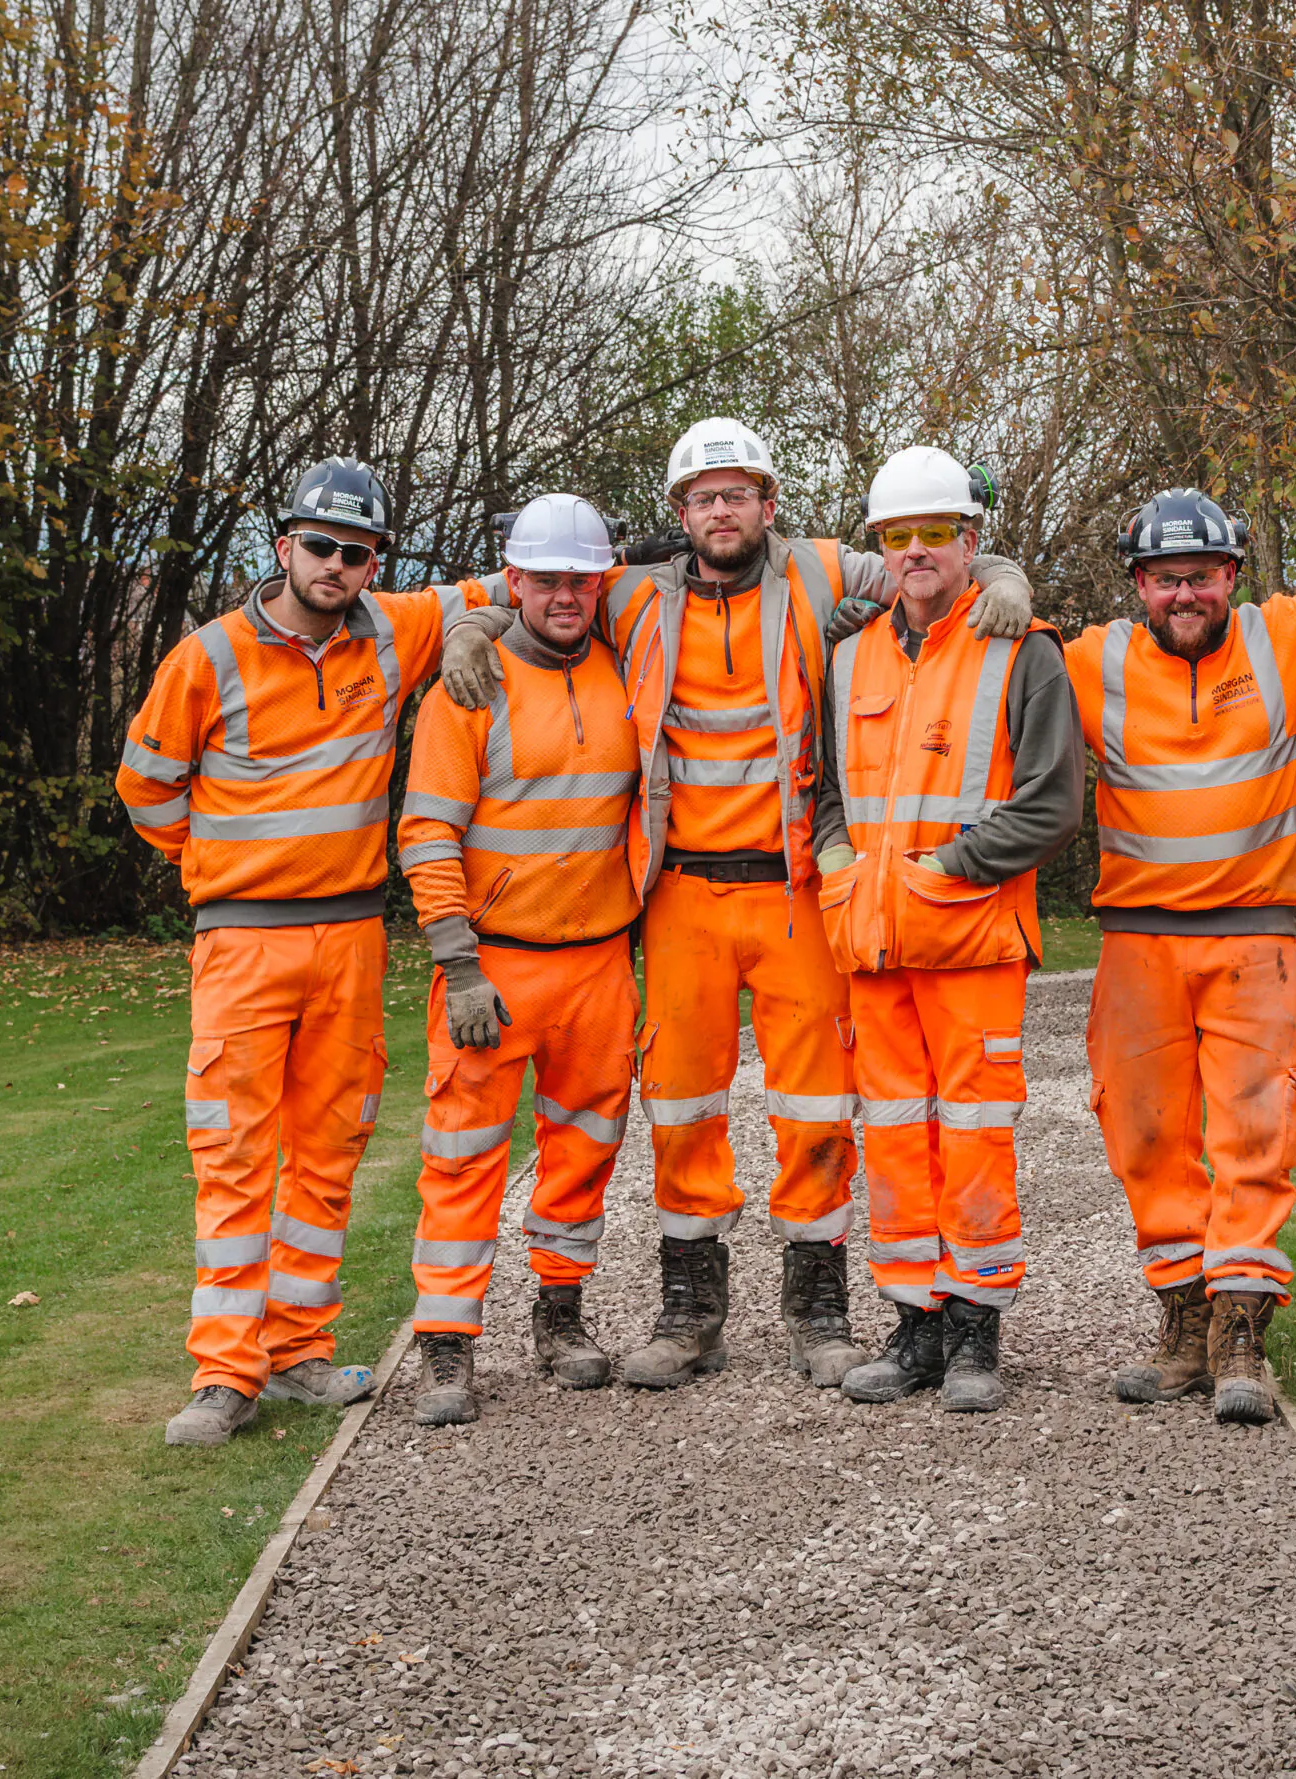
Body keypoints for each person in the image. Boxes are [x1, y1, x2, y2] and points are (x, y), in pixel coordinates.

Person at [445, 418, 1039, 1391]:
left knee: (814, 1109)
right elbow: (523, 586)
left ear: (768, 503)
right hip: (680, 892)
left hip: (796, 891)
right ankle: (692, 1315)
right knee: (680, 1109)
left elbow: (931, 557)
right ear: (680, 514)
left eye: (738, 494)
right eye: (702, 497)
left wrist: (1008, 576)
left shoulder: (817, 571)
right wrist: (472, 626)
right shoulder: (631, 592)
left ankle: (816, 1313)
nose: (721, 511)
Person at [117, 458, 509, 1447]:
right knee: (236, 1158)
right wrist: (225, 861)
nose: (337, 565)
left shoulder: (393, 629)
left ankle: (295, 1352)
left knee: (329, 1153)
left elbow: (525, 578)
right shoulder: (207, 659)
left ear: (376, 561)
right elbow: (147, 790)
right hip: (243, 944)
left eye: (358, 552)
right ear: (284, 548)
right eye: (321, 546)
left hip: (349, 940)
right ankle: (224, 1375)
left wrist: (468, 625)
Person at [1064, 489, 1296, 1425]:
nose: (1184, 595)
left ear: (1232, 577)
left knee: (1255, 1135)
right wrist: (1001, 579)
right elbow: (999, 652)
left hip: (1254, 940)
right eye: (1166, 580)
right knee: (1144, 1135)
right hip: (1137, 947)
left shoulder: (1282, 637)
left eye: (1201, 576)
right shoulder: (1097, 660)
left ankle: (1242, 1330)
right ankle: (1184, 1319)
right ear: (1139, 586)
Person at [809, 447, 1080, 1413]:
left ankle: (975, 1332)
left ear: (972, 541)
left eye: (935, 534)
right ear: (879, 547)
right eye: (898, 537)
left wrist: (944, 869)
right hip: (874, 942)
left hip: (968, 937)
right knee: (890, 1133)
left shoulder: (1023, 648)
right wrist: (839, 860)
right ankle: (914, 1323)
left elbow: (1052, 804)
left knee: (973, 1133)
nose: (916, 552)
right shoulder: (848, 652)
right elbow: (825, 789)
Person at [393, 495, 641, 1423]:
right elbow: (428, 833)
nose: (566, 595)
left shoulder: (624, 673)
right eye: (546, 580)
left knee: (583, 1152)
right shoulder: (470, 686)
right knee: (462, 1159)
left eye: (582, 578)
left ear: (601, 581)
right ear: (517, 581)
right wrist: (459, 966)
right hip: (495, 968)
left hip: (600, 963)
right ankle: (448, 1348)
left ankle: (560, 1316)